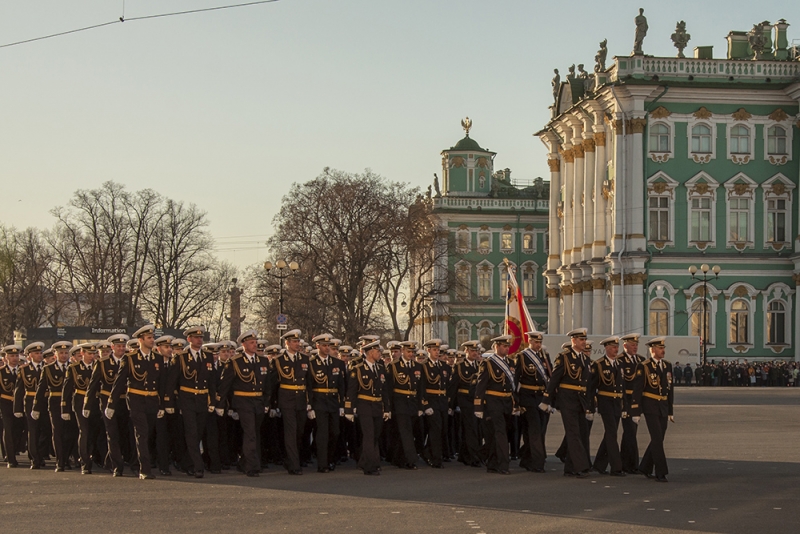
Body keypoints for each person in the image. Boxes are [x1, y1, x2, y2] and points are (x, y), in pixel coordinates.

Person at [106, 325, 165, 480]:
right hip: (136, 401)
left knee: (147, 434)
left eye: (152, 337)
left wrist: (162, 405)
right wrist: (111, 403)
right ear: (141, 340)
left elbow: (162, 384)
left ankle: (136, 463)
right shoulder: (130, 358)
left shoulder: (157, 358)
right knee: (142, 434)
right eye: (149, 338)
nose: (152, 340)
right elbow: (119, 383)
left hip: (152, 401)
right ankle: (144, 469)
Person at [215, 330, 272, 477]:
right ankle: (252, 466)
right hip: (243, 401)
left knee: (254, 433)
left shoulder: (263, 361)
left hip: (258, 402)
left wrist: (266, 402)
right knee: (250, 433)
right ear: (244, 344)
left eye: (256, 342)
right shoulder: (235, 362)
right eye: (252, 342)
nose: (255, 345)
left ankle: (243, 462)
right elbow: (225, 385)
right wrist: (221, 404)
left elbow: (267, 385)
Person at [540, 328, 592, 478]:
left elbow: (586, 385)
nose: (584, 342)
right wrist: (546, 400)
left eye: (584, 339)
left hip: (580, 401)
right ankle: (580, 466)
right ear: (573, 341)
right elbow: (554, 379)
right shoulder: (564, 357)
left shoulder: (585, 359)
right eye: (581, 340)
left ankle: (570, 467)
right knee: (573, 433)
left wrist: (589, 405)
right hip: (567, 399)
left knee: (581, 433)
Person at [167, 326, 217, 478]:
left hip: (202, 399)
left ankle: (187, 462)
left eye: (201, 338)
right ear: (189, 339)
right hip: (187, 399)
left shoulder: (207, 356)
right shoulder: (181, 357)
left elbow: (211, 381)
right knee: (191, 432)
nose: (199, 340)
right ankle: (197, 465)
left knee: (198, 433)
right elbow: (172, 382)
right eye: (196, 337)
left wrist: (213, 400)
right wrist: (169, 402)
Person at [631, 337, 674, 482]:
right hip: (650, 406)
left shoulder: (667, 365)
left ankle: (645, 467)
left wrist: (670, 411)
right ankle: (661, 472)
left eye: (664, 348)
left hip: (662, 406)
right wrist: (636, 411)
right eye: (660, 348)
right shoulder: (644, 366)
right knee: (657, 439)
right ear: (652, 350)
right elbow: (637, 389)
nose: (663, 351)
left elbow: (670, 390)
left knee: (659, 438)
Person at [269, 329, 313, 475]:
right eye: (294, 341)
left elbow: (310, 383)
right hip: (286, 400)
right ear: (287, 343)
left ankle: (290, 459)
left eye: (298, 341)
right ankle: (294, 465)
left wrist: (309, 403)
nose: (297, 344)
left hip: (301, 399)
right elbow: (273, 384)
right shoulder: (278, 361)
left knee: (299, 432)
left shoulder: (305, 359)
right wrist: (273, 404)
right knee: (290, 432)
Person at [86, 334, 129, 476]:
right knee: (112, 434)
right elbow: (92, 386)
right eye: (118, 346)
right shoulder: (103, 363)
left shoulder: (129, 360)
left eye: (123, 346)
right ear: (112, 347)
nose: (121, 349)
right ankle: (116, 466)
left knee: (123, 434)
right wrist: (87, 404)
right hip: (106, 401)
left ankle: (108, 460)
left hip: (124, 401)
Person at [344, 340, 389, 475]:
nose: (380, 353)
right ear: (370, 353)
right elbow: (351, 391)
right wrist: (348, 409)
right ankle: (370, 466)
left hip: (377, 406)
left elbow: (384, 391)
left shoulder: (380, 368)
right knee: (369, 436)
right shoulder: (358, 369)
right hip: (364, 406)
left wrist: (387, 408)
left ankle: (364, 461)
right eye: (377, 351)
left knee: (375, 436)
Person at [475, 335, 517, 475]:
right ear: (496, 346)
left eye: (507, 346)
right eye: (504, 346)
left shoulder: (511, 362)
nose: (507, 349)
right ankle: (502, 464)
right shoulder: (488, 363)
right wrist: (478, 406)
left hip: (507, 403)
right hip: (493, 402)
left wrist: (515, 404)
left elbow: (513, 386)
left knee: (496, 435)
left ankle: (492, 464)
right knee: (500, 433)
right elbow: (481, 386)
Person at [308, 333, 346, 473]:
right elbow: (309, 386)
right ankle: (322, 463)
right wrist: (309, 405)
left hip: (333, 402)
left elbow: (342, 386)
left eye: (328, 345)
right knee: (322, 433)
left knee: (335, 432)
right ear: (317, 346)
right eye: (323, 345)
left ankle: (330, 459)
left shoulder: (338, 363)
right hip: (319, 402)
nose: (326, 348)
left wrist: (342, 405)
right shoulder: (311, 363)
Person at [33, 341, 73, 472]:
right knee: (57, 432)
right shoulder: (48, 369)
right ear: (55, 354)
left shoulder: (74, 367)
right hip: (55, 402)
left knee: (69, 433)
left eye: (66, 353)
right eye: (61, 353)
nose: (64, 355)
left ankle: (66, 458)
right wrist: (36, 407)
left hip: (71, 403)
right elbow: (41, 389)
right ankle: (60, 461)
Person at [516, 332, 552, 473]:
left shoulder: (544, 356)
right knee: (535, 429)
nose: (538, 345)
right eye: (536, 342)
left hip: (541, 397)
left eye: (540, 342)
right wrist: (516, 401)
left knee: (539, 430)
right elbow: (516, 379)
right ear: (529, 341)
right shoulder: (522, 357)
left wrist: (549, 399)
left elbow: (550, 376)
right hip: (527, 397)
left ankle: (526, 458)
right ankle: (538, 462)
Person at [62, 343, 101, 475]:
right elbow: (67, 390)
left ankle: (90, 455)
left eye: (93, 354)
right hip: (80, 401)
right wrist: (65, 409)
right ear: (82, 353)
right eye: (89, 354)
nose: (91, 356)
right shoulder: (74, 368)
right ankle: (85, 463)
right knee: (84, 431)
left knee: (94, 432)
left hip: (96, 401)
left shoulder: (98, 366)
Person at [589, 336, 625, 476]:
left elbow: (623, 387)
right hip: (605, 403)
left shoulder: (619, 364)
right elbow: (591, 388)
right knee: (612, 434)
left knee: (610, 434)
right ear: (607, 348)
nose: (616, 349)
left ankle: (599, 464)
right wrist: (590, 406)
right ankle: (616, 467)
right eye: (613, 347)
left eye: (617, 347)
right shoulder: (599, 365)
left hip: (617, 403)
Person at [14, 342, 48, 469]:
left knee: (46, 430)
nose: (39, 355)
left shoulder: (47, 367)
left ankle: (41, 454)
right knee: (32, 431)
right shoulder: (24, 369)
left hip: (45, 401)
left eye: (40, 353)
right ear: (30, 355)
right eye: (36, 353)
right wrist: (17, 408)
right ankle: (34, 458)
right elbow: (19, 390)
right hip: (30, 401)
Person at [452, 340, 483, 467]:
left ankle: (464, 455)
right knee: (471, 429)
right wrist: (452, 405)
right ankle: (473, 457)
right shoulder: (459, 366)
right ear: (466, 351)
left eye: (476, 351)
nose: (475, 353)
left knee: (472, 428)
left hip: (477, 400)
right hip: (465, 400)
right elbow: (454, 386)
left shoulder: (480, 365)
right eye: (472, 351)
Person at [420, 339, 450, 469]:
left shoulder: (444, 366)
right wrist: (425, 404)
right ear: (428, 351)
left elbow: (447, 386)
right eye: (434, 350)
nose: (437, 352)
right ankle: (436, 458)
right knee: (435, 430)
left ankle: (427, 452)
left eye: (438, 350)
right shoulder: (423, 366)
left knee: (442, 429)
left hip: (442, 401)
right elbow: (421, 387)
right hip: (431, 401)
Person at [619, 333, 644, 474]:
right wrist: (622, 403)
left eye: (636, 345)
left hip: (636, 401)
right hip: (626, 400)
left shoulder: (641, 361)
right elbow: (620, 384)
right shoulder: (620, 360)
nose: (635, 347)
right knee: (629, 431)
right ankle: (630, 464)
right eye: (632, 345)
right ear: (625, 346)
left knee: (631, 432)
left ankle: (627, 463)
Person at [0, 345, 24, 467]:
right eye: (11, 356)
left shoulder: (23, 370)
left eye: (16, 355)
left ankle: (15, 450)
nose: (14, 358)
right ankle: (10, 458)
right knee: (8, 431)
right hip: (6, 404)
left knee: (18, 431)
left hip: (21, 405)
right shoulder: (1, 372)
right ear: (6, 357)